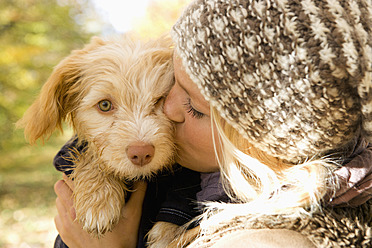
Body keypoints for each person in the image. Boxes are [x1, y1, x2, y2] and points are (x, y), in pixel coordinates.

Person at [54, 0, 372, 247]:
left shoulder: (262, 240)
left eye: (195, 108)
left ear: (265, 145)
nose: (167, 108)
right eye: (173, 83)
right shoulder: (197, 165)